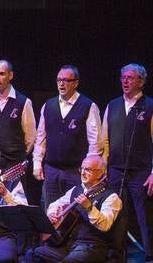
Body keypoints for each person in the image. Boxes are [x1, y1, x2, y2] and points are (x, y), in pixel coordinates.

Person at [21, 154, 123, 263]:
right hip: (70, 245)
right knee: (33, 254)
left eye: (89, 170)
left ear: (101, 173)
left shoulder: (111, 197)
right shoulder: (77, 190)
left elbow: (105, 225)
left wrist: (90, 208)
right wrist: (52, 212)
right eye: (82, 169)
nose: (83, 172)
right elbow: (56, 203)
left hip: (95, 247)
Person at [102, 64, 153, 263]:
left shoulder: (150, 106)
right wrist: (105, 166)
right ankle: (114, 255)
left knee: (144, 216)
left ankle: (152, 257)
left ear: (141, 81)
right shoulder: (112, 105)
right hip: (116, 169)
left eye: (130, 77)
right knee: (115, 213)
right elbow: (105, 140)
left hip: (140, 171)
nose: (125, 81)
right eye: (123, 77)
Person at [33, 65, 103, 212]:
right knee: (50, 212)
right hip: (51, 170)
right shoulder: (48, 105)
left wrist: (88, 171)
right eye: (59, 80)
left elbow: (95, 142)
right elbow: (40, 137)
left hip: (75, 172)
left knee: (73, 213)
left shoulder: (88, 106)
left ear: (75, 83)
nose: (61, 84)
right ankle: (51, 236)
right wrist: (37, 163)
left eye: (66, 80)